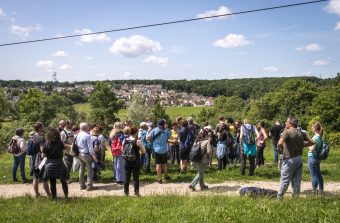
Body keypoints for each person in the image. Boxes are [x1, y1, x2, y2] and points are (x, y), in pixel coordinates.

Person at [277, 117, 315, 199]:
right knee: (297, 180)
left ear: (290, 123)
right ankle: (295, 198)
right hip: (299, 159)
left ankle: (279, 198)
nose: (285, 123)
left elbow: (279, 143)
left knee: (285, 180)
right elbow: (313, 142)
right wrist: (303, 144)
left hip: (289, 159)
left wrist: (279, 151)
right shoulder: (301, 132)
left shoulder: (287, 132)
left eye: (286, 122)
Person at [42, 127, 68, 199]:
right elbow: (64, 152)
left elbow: (43, 155)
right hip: (59, 163)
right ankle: (66, 196)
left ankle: (54, 197)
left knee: (52, 182)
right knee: (63, 181)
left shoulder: (46, 143)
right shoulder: (60, 143)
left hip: (49, 164)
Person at [27, 122, 51, 198]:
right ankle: (49, 195)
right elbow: (42, 150)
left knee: (35, 178)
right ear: (40, 128)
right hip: (40, 160)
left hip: (33, 159)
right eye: (43, 126)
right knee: (44, 178)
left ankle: (37, 194)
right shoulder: (41, 138)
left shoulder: (33, 137)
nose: (44, 128)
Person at [147, 119, 171, 183]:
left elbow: (148, 138)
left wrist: (148, 132)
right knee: (165, 163)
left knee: (158, 164)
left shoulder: (154, 130)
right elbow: (169, 137)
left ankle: (159, 178)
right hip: (164, 150)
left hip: (156, 150)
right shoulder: (166, 131)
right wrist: (166, 129)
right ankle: (166, 176)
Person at [122, 127, 144, 196]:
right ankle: (136, 192)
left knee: (126, 177)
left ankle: (126, 192)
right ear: (136, 133)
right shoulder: (138, 141)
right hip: (136, 160)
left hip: (127, 160)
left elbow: (122, 150)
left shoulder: (124, 140)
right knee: (136, 177)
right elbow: (143, 151)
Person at [76, 122, 98, 191]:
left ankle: (82, 185)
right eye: (88, 126)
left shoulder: (78, 134)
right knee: (90, 170)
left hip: (80, 153)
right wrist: (94, 156)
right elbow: (90, 148)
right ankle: (89, 186)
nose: (89, 127)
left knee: (81, 170)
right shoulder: (87, 136)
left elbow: (76, 144)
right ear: (85, 128)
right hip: (86, 154)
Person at [308, 122, 324, 194]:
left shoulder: (315, 138)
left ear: (315, 128)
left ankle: (314, 191)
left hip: (312, 157)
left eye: (312, 127)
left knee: (314, 175)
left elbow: (312, 149)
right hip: (317, 158)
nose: (311, 128)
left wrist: (308, 143)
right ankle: (321, 189)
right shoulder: (320, 137)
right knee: (318, 174)